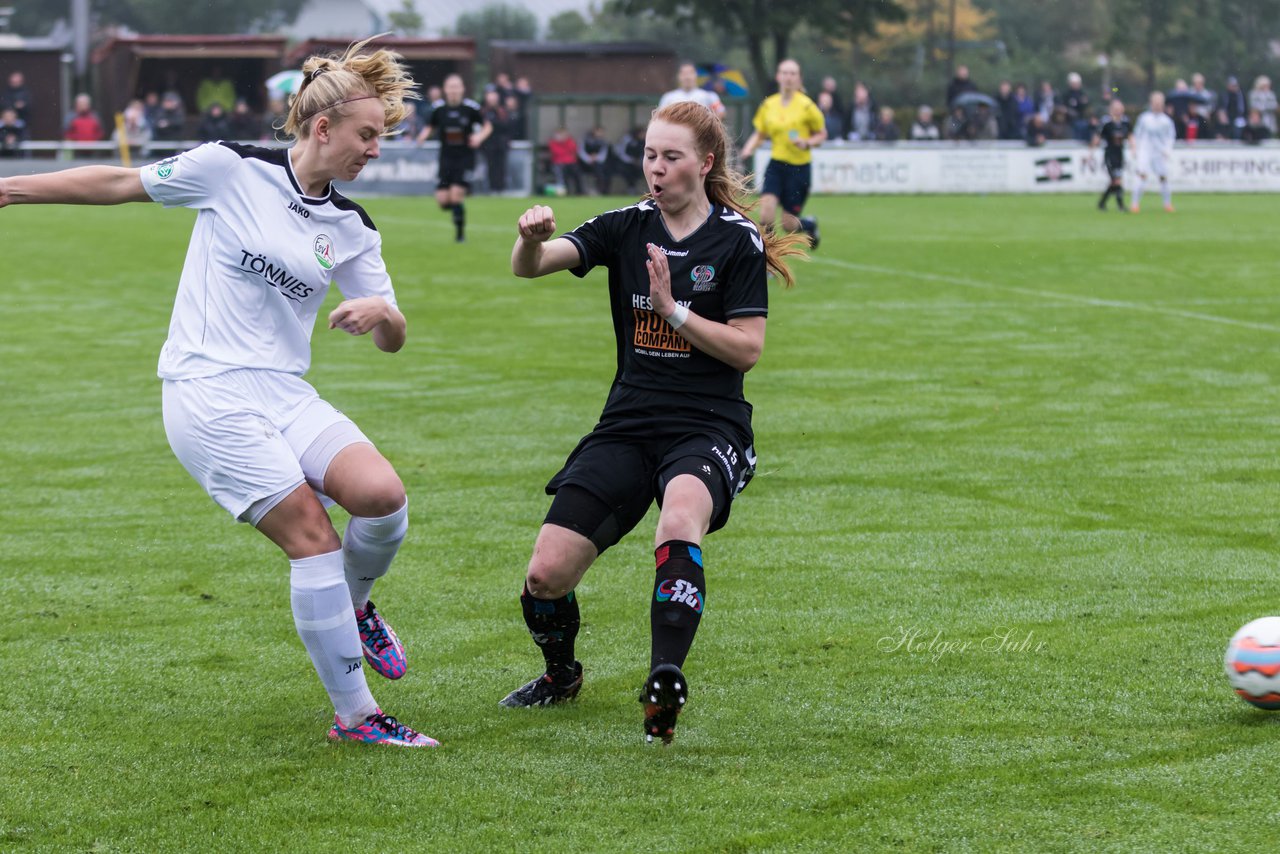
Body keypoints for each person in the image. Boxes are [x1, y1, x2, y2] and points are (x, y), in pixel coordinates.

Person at [0, 38, 437, 749]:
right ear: (322, 130)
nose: (375, 151)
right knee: (315, 541)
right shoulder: (229, 169)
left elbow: (394, 336)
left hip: (283, 391)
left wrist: (383, 316)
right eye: (367, 136)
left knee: (385, 499)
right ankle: (359, 717)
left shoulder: (353, 226)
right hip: (206, 390)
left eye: (381, 139)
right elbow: (120, 184)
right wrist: (11, 188)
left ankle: (354, 610)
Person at [501, 100, 808, 745]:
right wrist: (528, 240)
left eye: (671, 157)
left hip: (709, 426)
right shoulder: (625, 225)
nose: (657, 168)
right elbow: (531, 267)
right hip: (629, 424)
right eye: (649, 154)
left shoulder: (736, 239)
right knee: (545, 574)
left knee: (680, 517)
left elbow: (748, 348)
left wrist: (675, 314)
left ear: (705, 162)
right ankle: (561, 676)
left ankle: (663, 680)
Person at [739, 58, 825, 248]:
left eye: (792, 73)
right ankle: (768, 257)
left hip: (799, 169)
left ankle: (809, 224)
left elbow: (821, 134)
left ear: (799, 78)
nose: (788, 77)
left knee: (788, 225)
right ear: (778, 76)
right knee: (766, 214)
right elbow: (760, 133)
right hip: (777, 165)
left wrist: (807, 142)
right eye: (785, 73)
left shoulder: (807, 106)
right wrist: (748, 149)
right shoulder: (769, 104)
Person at [416, 73, 491, 242]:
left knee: (456, 195)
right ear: (445, 89)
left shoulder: (471, 108)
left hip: (465, 158)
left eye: (457, 87)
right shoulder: (438, 109)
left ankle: (460, 234)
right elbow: (430, 126)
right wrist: (422, 136)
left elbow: (487, 126)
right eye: (450, 87)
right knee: (443, 201)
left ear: (462, 89)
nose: (454, 90)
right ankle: (458, 206)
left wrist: (479, 137)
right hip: (446, 158)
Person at [1129, 90, 1176, 213]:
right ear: (1151, 103)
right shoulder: (1144, 118)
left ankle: (1167, 204)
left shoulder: (1167, 121)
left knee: (1163, 177)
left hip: (1159, 153)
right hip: (1145, 151)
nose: (1157, 105)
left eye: (1160, 103)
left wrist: (1167, 150)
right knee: (1142, 175)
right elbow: (1136, 135)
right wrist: (1135, 149)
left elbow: (1170, 137)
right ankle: (1135, 204)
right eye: (1155, 102)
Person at [1090, 98, 1130, 212]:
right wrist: (1091, 152)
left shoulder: (1125, 122)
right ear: (1111, 110)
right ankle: (1121, 206)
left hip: (1120, 154)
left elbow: (1130, 135)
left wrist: (1134, 148)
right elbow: (1097, 136)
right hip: (1109, 154)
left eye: (1120, 109)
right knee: (1117, 180)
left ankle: (1102, 203)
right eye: (1116, 109)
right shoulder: (1106, 122)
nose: (1118, 111)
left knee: (1114, 181)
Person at [658, 62, 725, 118]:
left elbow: (720, 112)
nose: (687, 77)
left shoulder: (709, 96)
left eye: (690, 73)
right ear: (678, 76)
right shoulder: (668, 97)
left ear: (696, 74)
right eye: (684, 74)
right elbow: (659, 117)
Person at [479, 89, 510, 193]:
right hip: (488, 145)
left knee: (501, 167)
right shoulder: (483, 111)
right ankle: (492, 189)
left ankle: (501, 189)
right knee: (490, 167)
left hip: (501, 145)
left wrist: (492, 124)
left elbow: (506, 125)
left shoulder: (502, 111)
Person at [546, 126, 582, 195]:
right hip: (558, 163)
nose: (562, 136)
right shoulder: (553, 142)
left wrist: (565, 142)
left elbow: (573, 149)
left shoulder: (569, 141)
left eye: (564, 134)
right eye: (560, 134)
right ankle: (562, 191)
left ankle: (580, 191)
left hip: (570, 163)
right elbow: (557, 153)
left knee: (577, 171)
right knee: (559, 171)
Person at [579, 125, 610, 195]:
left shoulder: (603, 142)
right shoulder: (586, 140)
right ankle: (583, 191)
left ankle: (600, 190)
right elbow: (581, 152)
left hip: (598, 163)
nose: (600, 133)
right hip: (585, 163)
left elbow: (603, 154)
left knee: (602, 171)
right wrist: (589, 159)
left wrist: (596, 158)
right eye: (598, 131)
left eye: (601, 132)